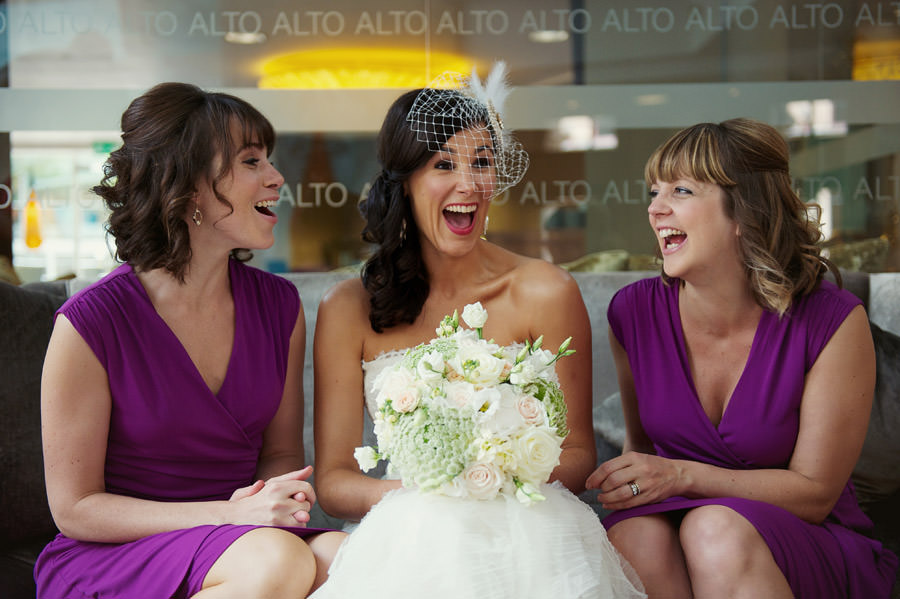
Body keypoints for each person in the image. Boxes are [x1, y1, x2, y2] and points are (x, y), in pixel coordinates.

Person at [310, 63, 645, 598]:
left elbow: (580, 453)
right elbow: (333, 481)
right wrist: (435, 500)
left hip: (534, 532)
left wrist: (500, 479)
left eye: (483, 163)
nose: (469, 184)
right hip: (404, 535)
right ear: (406, 181)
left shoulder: (545, 291)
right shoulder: (348, 307)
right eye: (444, 164)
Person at [34, 82, 345, 599]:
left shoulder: (280, 306)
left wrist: (269, 503)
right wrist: (230, 516)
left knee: (352, 558)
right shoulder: (90, 322)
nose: (276, 177)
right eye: (251, 161)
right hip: (116, 553)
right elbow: (76, 509)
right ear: (188, 186)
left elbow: (281, 454)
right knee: (276, 560)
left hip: (240, 539)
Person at [586, 118, 899, 598]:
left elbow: (815, 494)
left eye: (682, 191)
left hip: (802, 538)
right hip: (681, 524)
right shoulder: (632, 313)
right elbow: (642, 448)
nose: (656, 208)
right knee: (634, 536)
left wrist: (684, 475)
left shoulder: (832, 320)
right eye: (654, 192)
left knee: (715, 530)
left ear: (743, 213)